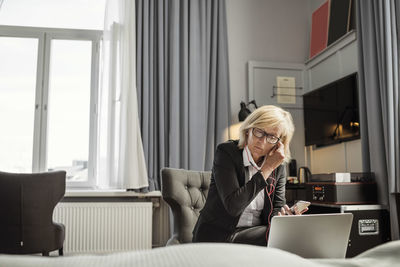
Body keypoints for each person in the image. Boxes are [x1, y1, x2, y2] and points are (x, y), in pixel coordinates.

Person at [192, 105, 307, 246]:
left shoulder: (279, 167)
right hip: (219, 234)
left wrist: (284, 216)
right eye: (259, 131)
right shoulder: (226, 153)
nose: (262, 141)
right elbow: (233, 207)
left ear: (279, 143)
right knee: (284, 238)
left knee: (290, 233)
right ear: (248, 130)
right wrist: (267, 168)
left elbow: (275, 209)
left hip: (256, 232)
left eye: (271, 137)